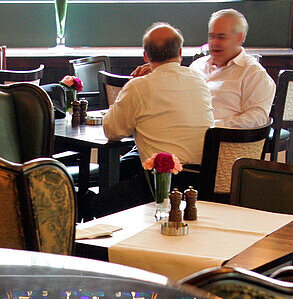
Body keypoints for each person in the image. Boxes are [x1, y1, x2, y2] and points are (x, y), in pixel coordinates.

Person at [89, 23, 213, 218]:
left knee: (96, 204)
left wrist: (132, 85)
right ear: (180, 52)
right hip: (201, 183)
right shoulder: (199, 81)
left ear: (145, 56)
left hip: (159, 185)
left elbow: (112, 131)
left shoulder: (139, 87)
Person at [189, 9, 275, 128]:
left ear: (240, 38)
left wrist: (213, 127)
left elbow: (257, 118)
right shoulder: (197, 66)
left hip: (224, 142)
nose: (214, 42)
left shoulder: (253, 73)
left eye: (221, 37)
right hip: (185, 136)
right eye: (211, 36)